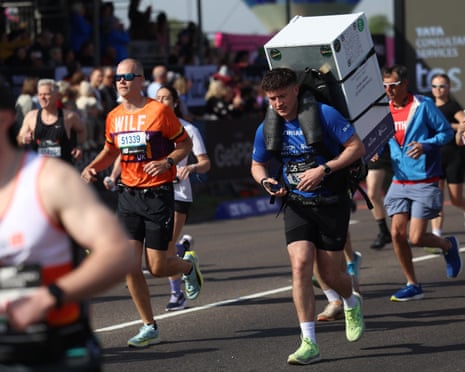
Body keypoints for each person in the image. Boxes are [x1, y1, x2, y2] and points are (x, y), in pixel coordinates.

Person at [0, 86, 136, 370]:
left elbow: (119, 252)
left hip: (52, 354)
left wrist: (50, 297)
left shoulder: (50, 180)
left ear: (4, 118)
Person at [80, 58, 202, 348]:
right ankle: (149, 325)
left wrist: (166, 161)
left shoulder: (158, 111)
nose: (121, 81)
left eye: (128, 76)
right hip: (128, 196)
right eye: (118, 77)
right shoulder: (113, 116)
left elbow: (185, 145)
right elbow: (111, 150)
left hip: (158, 194)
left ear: (141, 80)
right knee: (129, 265)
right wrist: (93, 167)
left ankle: (187, 266)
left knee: (157, 267)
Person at [251, 67, 365, 365]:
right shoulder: (267, 126)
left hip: (331, 202)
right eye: (272, 98)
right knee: (301, 265)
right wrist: (266, 182)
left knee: (329, 274)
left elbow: (356, 147)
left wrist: (324, 169)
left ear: (296, 91)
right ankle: (309, 342)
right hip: (296, 204)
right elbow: (256, 165)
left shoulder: (325, 114)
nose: (278, 104)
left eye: (282, 96)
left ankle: (351, 301)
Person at [382, 64, 462, 302]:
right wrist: (375, 152)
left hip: (425, 180)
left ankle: (448, 245)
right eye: (385, 86)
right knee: (397, 234)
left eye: (393, 86)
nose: (389, 91)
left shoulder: (423, 105)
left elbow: (446, 133)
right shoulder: (383, 110)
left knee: (416, 238)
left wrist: (425, 145)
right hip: (399, 180)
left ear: (404, 84)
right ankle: (413, 284)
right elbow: (381, 140)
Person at [156, 85, 211, 311]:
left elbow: (206, 163)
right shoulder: (151, 131)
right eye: (157, 98)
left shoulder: (188, 129)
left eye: (166, 98)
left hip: (179, 193)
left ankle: (177, 294)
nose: (161, 102)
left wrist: (191, 168)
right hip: (155, 193)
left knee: (165, 246)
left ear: (175, 103)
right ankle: (182, 250)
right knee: (158, 247)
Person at [428, 73, 465, 250]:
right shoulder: (428, 106)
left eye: (442, 86)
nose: (438, 90)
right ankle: (436, 236)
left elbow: (464, 122)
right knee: (437, 198)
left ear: (449, 88)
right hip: (434, 157)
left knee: (456, 199)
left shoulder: (452, 106)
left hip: (453, 157)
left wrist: (450, 127)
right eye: (435, 86)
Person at [16, 78, 86, 164]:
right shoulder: (31, 116)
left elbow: (82, 130)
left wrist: (79, 146)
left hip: (62, 169)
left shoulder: (69, 116)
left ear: (57, 96)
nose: (42, 97)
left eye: (46, 94)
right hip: (39, 170)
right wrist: (23, 139)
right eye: (40, 94)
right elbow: (19, 139)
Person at [367, 145, 392, 249]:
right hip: (375, 148)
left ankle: (400, 230)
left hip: (396, 147)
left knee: (392, 194)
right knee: (372, 194)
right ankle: (384, 231)